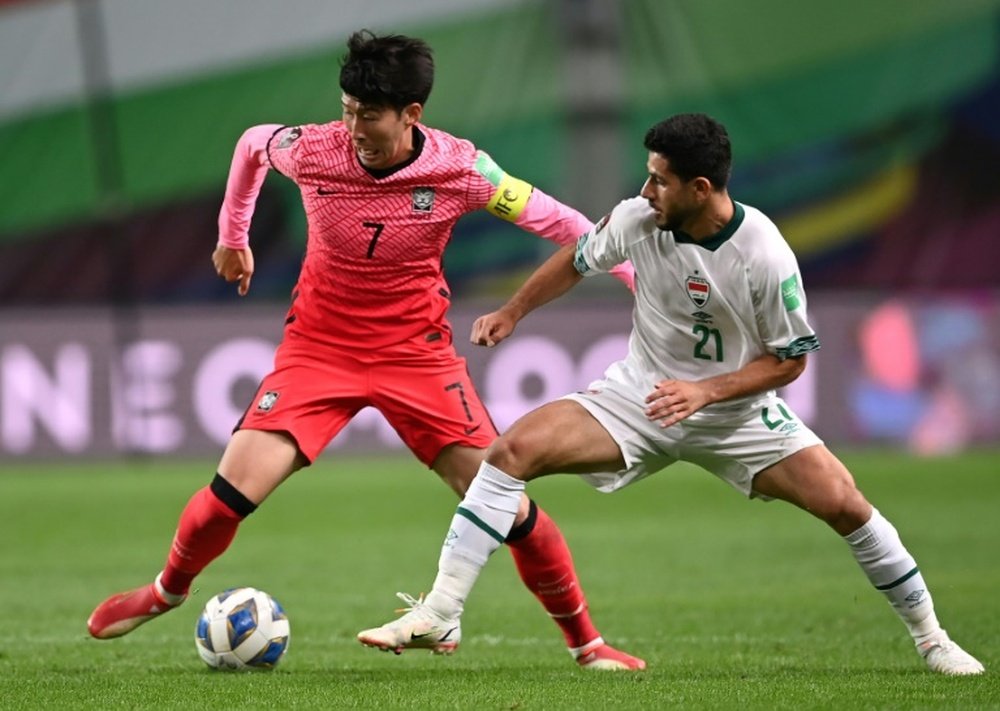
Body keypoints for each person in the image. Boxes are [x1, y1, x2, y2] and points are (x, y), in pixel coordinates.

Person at [86, 30, 645, 671]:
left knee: (506, 502)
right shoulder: (312, 147)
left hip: (418, 355)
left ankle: (587, 643)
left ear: (413, 115)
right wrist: (232, 235)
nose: (352, 126)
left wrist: (635, 280)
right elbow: (249, 146)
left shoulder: (463, 169)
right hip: (318, 349)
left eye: (368, 115)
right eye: (347, 107)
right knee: (233, 487)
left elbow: (565, 225)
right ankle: (165, 592)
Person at [356, 113, 986, 676]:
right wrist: (513, 312)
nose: (645, 190)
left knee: (847, 505)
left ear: (700, 189)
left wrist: (705, 393)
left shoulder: (763, 255)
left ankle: (933, 641)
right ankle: (441, 610)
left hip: (735, 413)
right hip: (640, 399)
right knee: (510, 453)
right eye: (648, 176)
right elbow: (576, 260)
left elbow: (790, 361)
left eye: (659, 180)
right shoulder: (638, 219)